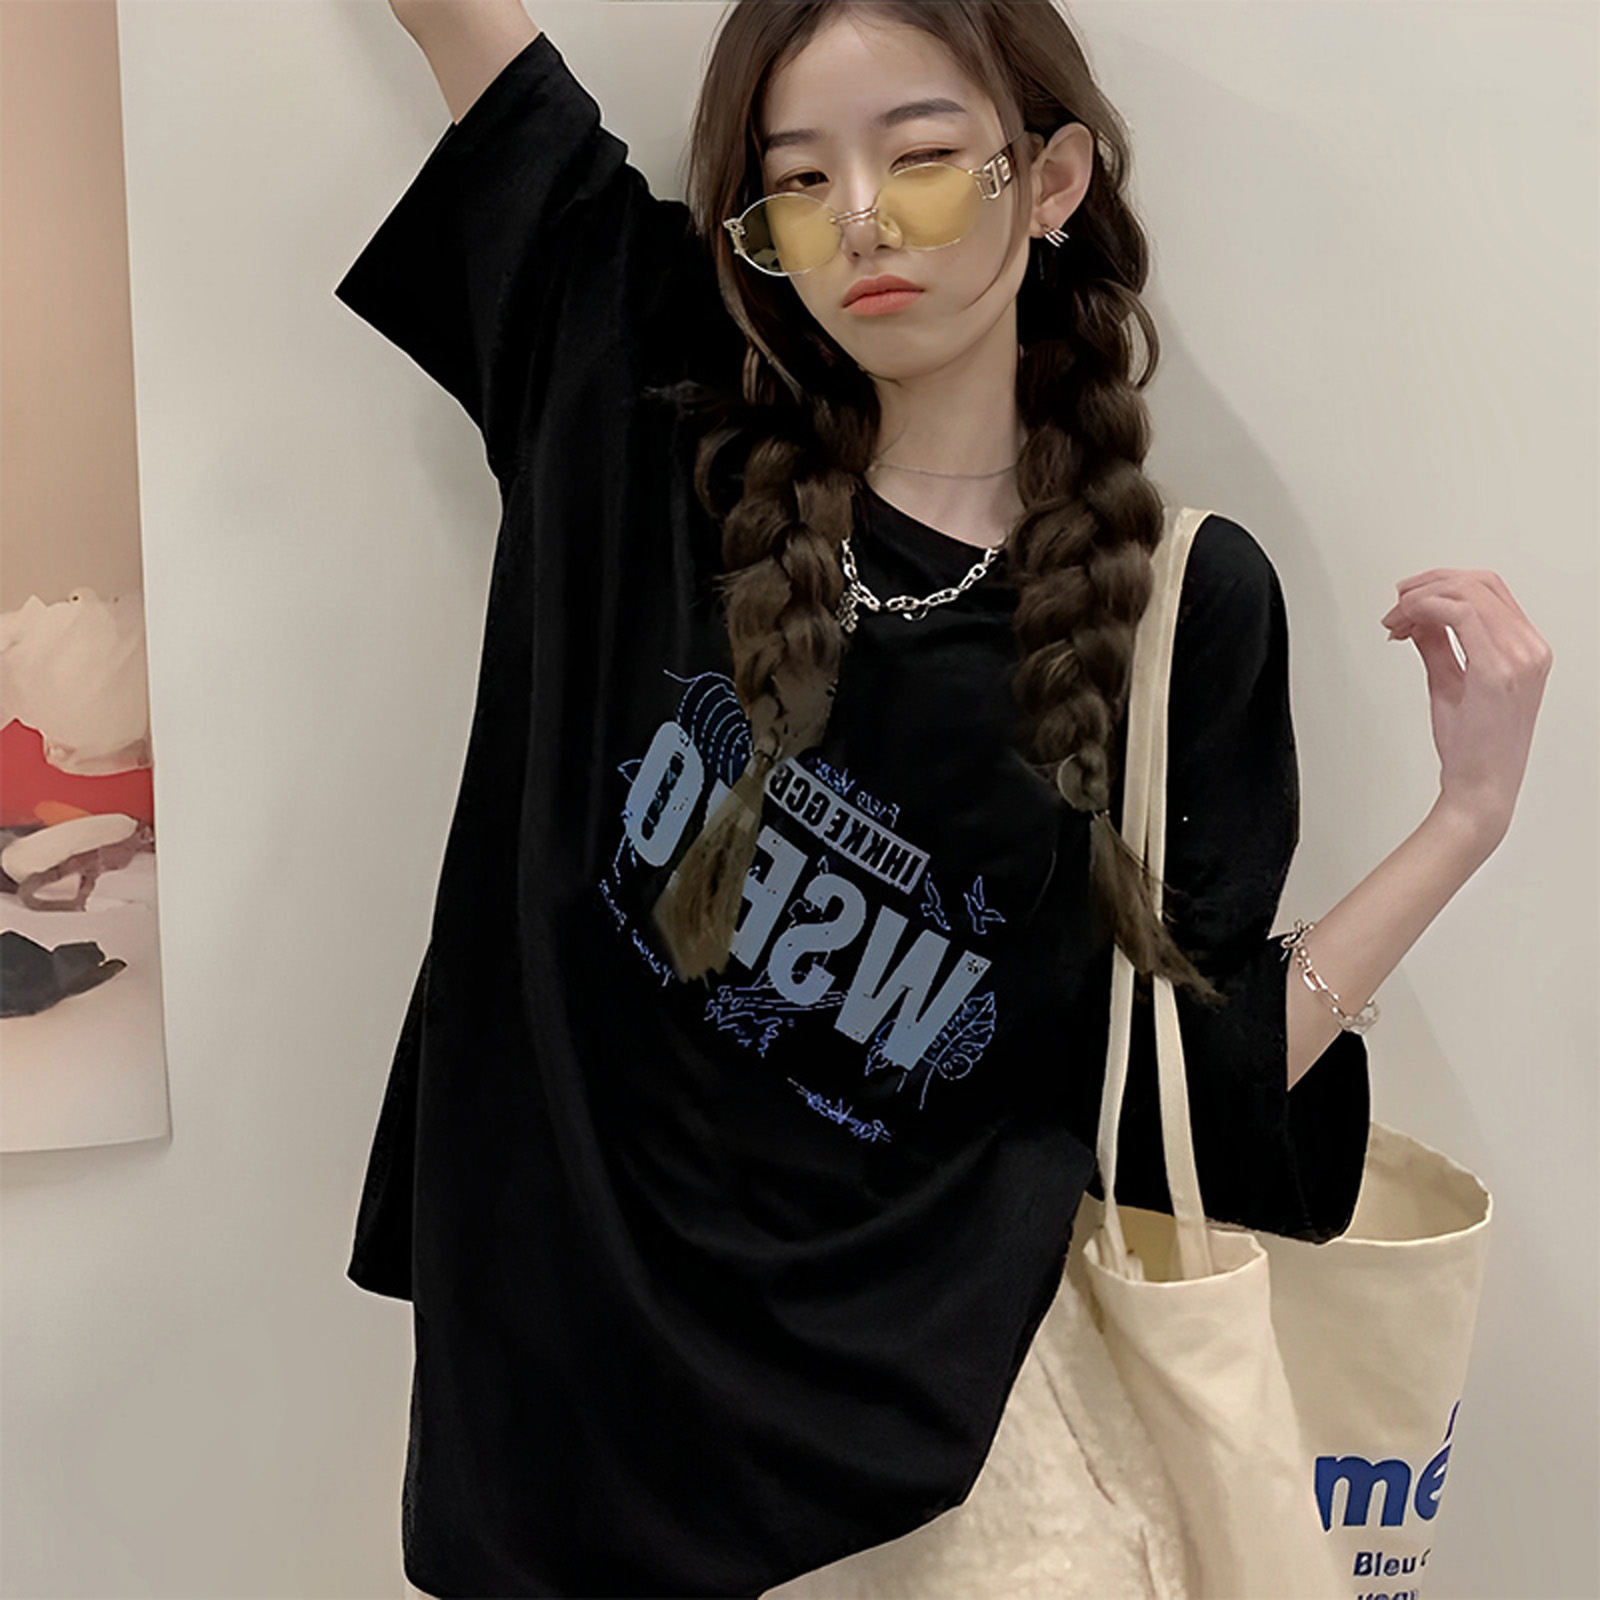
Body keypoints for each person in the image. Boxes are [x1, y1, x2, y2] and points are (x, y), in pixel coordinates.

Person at [337, 2, 1552, 1595]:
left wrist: (1465, 825)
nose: (857, 221)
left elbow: (1166, 1093)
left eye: (915, 158)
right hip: (552, 1430)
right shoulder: (638, 399)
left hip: (923, 1490)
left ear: (1050, 180)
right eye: (798, 180)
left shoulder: (1173, 610)